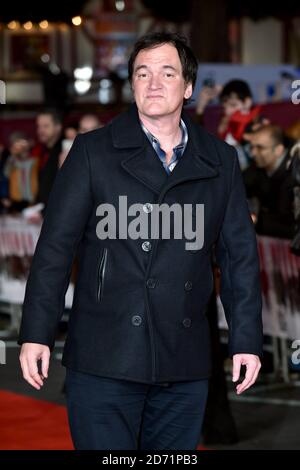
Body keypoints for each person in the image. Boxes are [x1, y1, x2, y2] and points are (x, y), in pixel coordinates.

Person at [18, 32, 263, 451]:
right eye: (142, 73)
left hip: (183, 360)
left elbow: (239, 257)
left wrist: (246, 341)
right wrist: (36, 333)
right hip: (103, 357)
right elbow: (55, 249)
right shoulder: (92, 152)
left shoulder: (218, 160)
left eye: (167, 73)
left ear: (187, 86)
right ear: (132, 85)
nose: (153, 83)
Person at [243, 125, 294, 239]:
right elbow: (238, 184)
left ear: (278, 150)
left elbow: (290, 224)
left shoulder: (294, 176)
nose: (254, 153)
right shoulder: (258, 167)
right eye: (252, 147)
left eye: (260, 148)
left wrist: (256, 220)